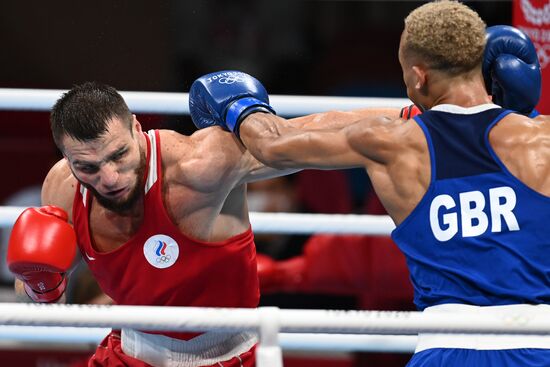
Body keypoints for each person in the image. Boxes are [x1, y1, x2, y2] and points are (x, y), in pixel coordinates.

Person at [188, 1, 550, 366]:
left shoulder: (389, 142)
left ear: (419, 76)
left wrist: (239, 106)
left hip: (447, 351)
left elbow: (273, 146)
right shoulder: (543, 139)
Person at [5, 81, 311, 367]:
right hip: (131, 353)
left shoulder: (198, 166)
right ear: (68, 159)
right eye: (88, 166)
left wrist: (251, 117)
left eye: (119, 154)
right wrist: (38, 286)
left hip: (234, 353)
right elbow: (43, 303)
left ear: (136, 129)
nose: (109, 178)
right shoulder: (64, 188)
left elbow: (309, 145)